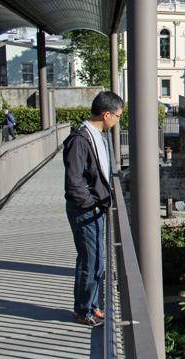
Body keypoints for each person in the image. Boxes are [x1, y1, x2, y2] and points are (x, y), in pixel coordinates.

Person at [63, 91, 123, 326]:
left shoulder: (96, 135)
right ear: (106, 114)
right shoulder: (81, 139)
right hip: (85, 211)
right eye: (117, 116)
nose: (118, 121)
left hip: (94, 208)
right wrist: (93, 203)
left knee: (95, 258)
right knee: (91, 260)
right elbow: (74, 183)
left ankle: (93, 305)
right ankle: (84, 309)